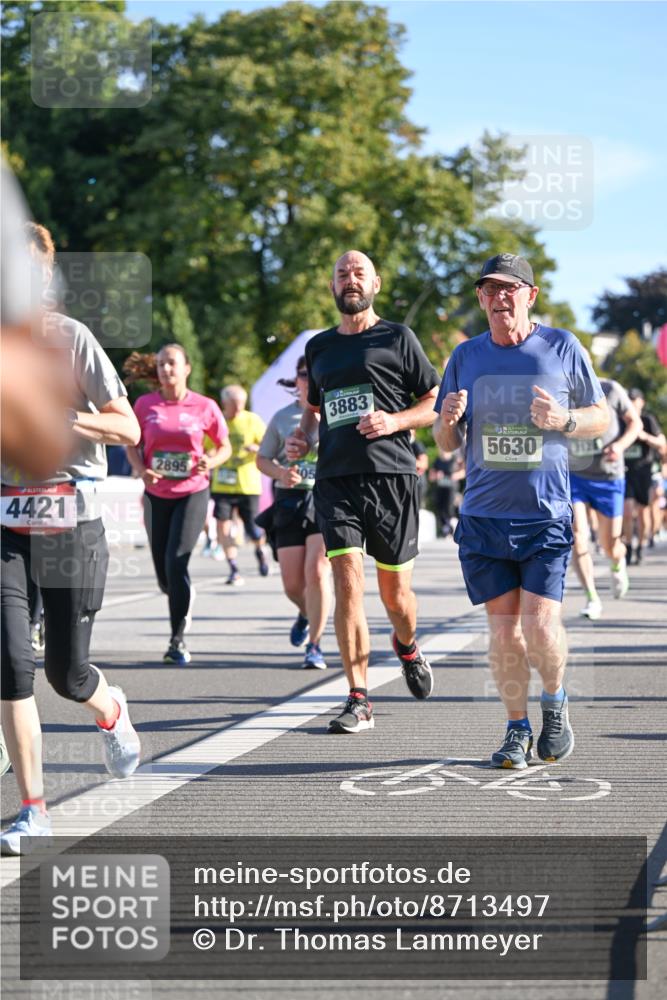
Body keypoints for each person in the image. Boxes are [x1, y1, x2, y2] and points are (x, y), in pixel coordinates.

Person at [434, 253, 609, 769]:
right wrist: (447, 420)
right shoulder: (465, 356)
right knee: (504, 631)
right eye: (489, 290)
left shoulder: (561, 347)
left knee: (538, 627)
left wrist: (564, 419)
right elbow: (446, 444)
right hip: (485, 516)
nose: (498, 298)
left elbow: (600, 416)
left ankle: (554, 701)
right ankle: (516, 728)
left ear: (530, 296)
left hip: (545, 512)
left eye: (509, 289)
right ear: (481, 299)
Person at [1, 223, 142, 855]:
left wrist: (66, 418)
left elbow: (129, 428)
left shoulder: (72, 340)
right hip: (6, 523)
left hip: (67, 520)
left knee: (65, 671)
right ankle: (34, 809)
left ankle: (111, 710)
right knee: (9, 665)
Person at [286, 249, 440, 734]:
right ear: (331, 286)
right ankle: (358, 697)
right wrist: (301, 438)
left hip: (392, 477)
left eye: (358, 273)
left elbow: (433, 400)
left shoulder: (398, 337)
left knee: (396, 597)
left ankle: (407, 645)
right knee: (347, 580)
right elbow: (314, 410)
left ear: (375, 283)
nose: (349, 280)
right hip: (335, 479)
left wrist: (395, 420)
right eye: (341, 274)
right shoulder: (320, 347)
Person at [124, 346, 230, 664]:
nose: (165, 369)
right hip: (156, 493)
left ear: (187, 368)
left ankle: (177, 640)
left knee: (176, 560)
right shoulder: (144, 405)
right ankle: (180, 594)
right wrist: (141, 470)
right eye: (160, 365)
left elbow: (224, 446)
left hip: (192, 491)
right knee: (163, 574)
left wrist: (209, 460)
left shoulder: (204, 406)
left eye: (171, 363)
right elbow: (132, 443)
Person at [256, 356, 331, 669]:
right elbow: (262, 459)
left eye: (314, 375)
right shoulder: (282, 417)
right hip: (289, 501)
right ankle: (305, 612)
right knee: (291, 584)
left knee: (316, 572)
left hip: (324, 498)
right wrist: (281, 474)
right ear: (296, 380)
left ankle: (315, 645)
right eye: (303, 374)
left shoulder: (331, 415)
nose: (308, 380)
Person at [568, 376, 641, 619]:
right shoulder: (558, 389)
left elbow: (635, 424)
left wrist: (619, 446)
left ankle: (617, 563)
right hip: (574, 475)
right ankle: (591, 597)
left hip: (608, 476)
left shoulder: (610, 389)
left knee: (611, 544)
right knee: (578, 536)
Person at [210, 386, 269, 586]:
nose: (237, 409)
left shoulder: (252, 420)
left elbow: (269, 445)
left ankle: (260, 550)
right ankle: (233, 567)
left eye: (241, 404)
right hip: (223, 485)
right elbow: (206, 446)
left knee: (253, 529)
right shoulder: (217, 420)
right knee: (222, 526)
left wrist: (257, 448)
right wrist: (210, 456)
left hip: (248, 485)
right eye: (233, 404)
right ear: (224, 403)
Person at [622, 389, 666, 563]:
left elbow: (662, 443)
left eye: (635, 399)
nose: (632, 402)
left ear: (642, 402)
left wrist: (644, 436)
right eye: (629, 399)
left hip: (644, 472)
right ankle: (628, 545)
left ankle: (640, 545)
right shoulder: (621, 420)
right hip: (625, 472)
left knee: (642, 513)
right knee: (627, 509)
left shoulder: (648, 420)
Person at [429, 446, 465, 538]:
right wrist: (437, 475)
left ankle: (453, 528)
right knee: (440, 508)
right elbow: (431, 476)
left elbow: (464, 472)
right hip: (440, 488)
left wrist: (455, 475)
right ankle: (446, 529)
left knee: (450, 508)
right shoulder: (437, 461)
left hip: (452, 489)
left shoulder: (456, 460)